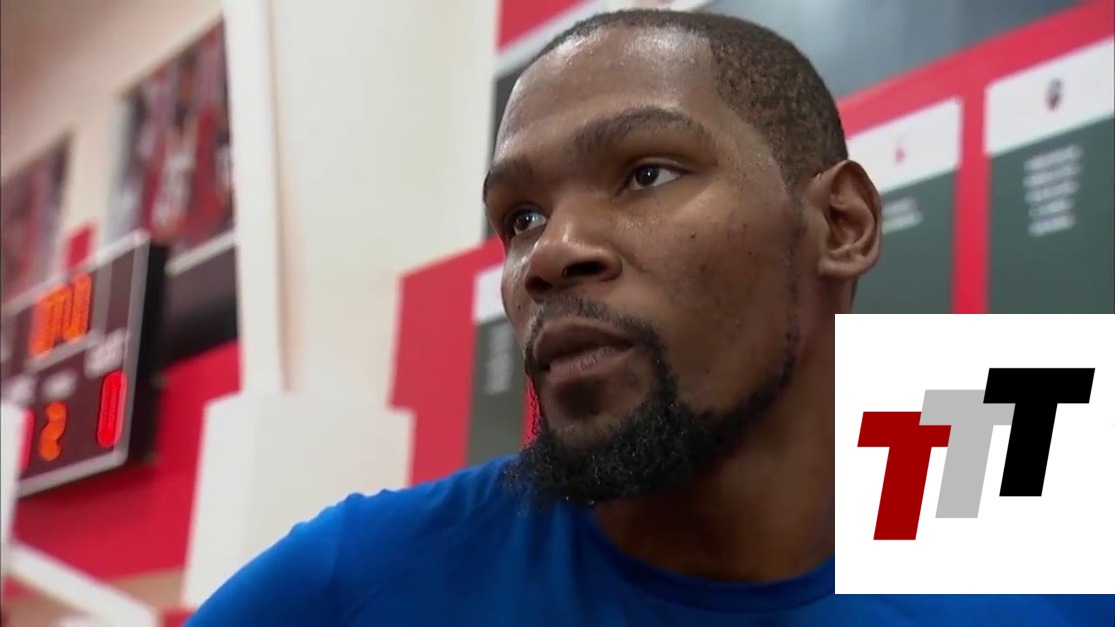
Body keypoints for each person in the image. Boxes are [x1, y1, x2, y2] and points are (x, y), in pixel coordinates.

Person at [188, 10, 1114, 625]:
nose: (550, 253)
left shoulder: (1042, 490)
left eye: (646, 173)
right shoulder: (362, 577)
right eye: (520, 217)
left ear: (841, 225)